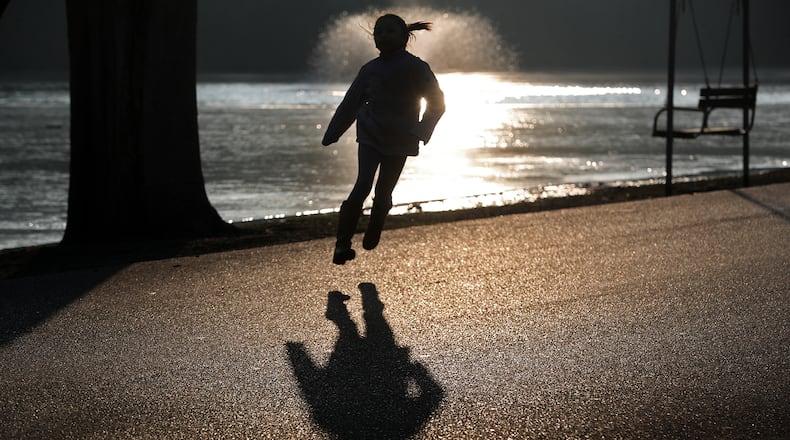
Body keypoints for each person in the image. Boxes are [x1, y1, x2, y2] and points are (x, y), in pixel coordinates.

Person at [322, 13, 445, 265]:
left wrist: (422, 130)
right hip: (370, 135)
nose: (383, 36)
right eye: (379, 32)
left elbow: (437, 102)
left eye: (390, 31)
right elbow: (350, 104)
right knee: (362, 184)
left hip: (402, 138)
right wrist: (332, 133)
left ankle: (376, 224)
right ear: (374, 39)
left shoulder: (417, 67)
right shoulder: (369, 70)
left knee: (384, 191)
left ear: (404, 36)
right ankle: (341, 245)